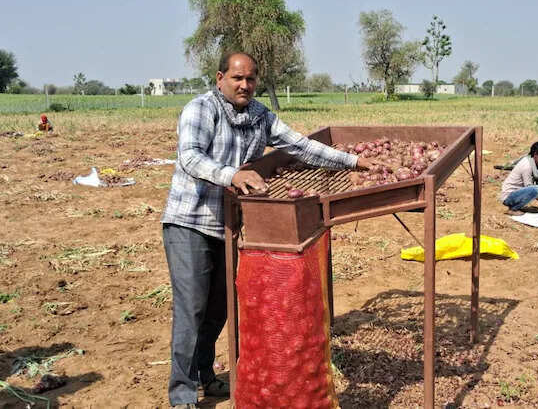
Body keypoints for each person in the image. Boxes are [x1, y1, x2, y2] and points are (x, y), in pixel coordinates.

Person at [160, 51, 376, 409]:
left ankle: (205, 375)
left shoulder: (260, 115)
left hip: (230, 227)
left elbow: (301, 146)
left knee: (219, 308)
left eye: (251, 79)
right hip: (191, 222)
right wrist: (233, 175)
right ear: (220, 78)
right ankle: (182, 394)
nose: (245, 85)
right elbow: (191, 157)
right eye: (237, 78)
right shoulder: (201, 110)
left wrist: (353, 161)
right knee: (192, 308)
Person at [500, 141, 538, 215]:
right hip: (509, 197)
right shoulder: (527, 166)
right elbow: (531, 190)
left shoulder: (533, 163)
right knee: (536, 189)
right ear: (535, 154)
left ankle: (517, 206)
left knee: (537, 188)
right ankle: (513, 209)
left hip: (517, 194)